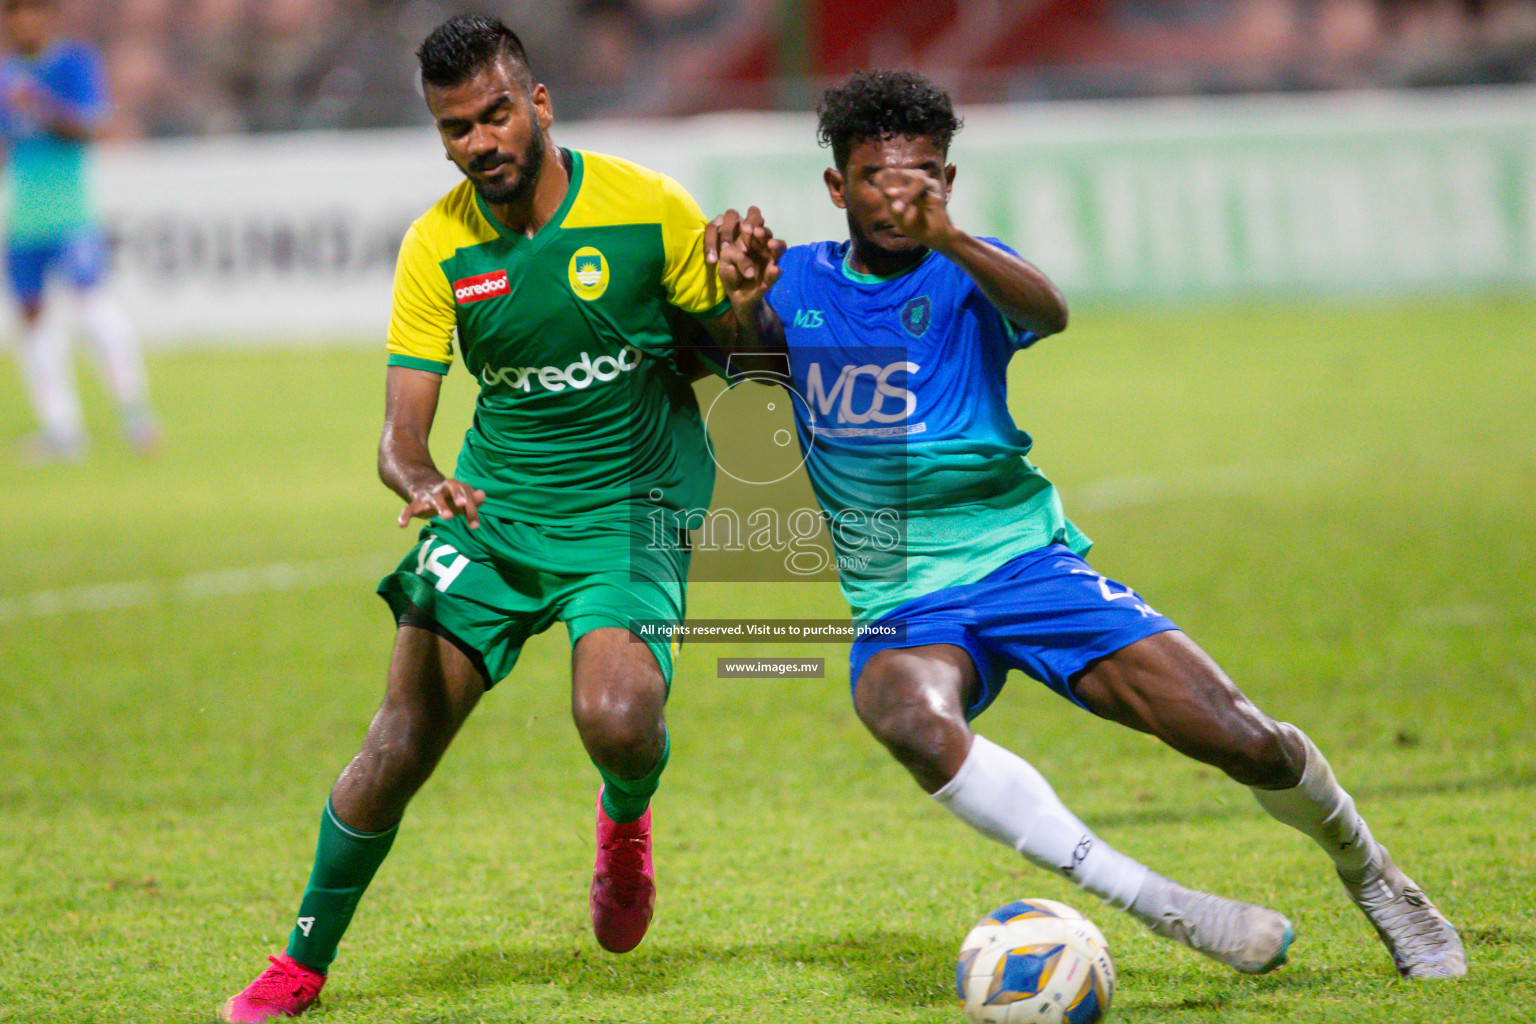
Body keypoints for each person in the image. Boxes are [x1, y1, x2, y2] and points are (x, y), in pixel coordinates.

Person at [706, 68, 1465, 981]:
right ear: (838, 186)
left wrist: (951, 237)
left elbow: (1050, 312)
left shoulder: (973, 268)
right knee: (906, 716)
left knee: (1242, 738)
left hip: (1023, 562)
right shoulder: (803, 282)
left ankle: (1374, 873)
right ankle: (1164, 905)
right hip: (903, 588)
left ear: (947, 180)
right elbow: (755, 379)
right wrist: (745, 299)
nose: (900, 197)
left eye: (923, 178)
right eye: (877, 178)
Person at [221, 15, 777, 1023]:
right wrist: (424, 482)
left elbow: (746, 358)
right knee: (399, 740)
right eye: (455, 129)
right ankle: (299, 960)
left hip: (629, 509)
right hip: (495, 511)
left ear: (539, 104)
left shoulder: (646, 206)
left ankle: (625, 819)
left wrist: (744, 301)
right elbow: (399, 438)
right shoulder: (439, 245)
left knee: (617, 719)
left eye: (494, 115)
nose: (480, 142)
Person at [0, 0, 156, 461]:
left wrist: (40, 103)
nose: (24, 22)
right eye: (15, 14)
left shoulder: (73, 63)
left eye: (32, 12)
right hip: (22, 217)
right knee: (32, 320)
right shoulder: (6, 71)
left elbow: (92, 126)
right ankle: (62, 430)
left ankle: (136, 414)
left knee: (91, 307)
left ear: (49, 18)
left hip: (70, 215)